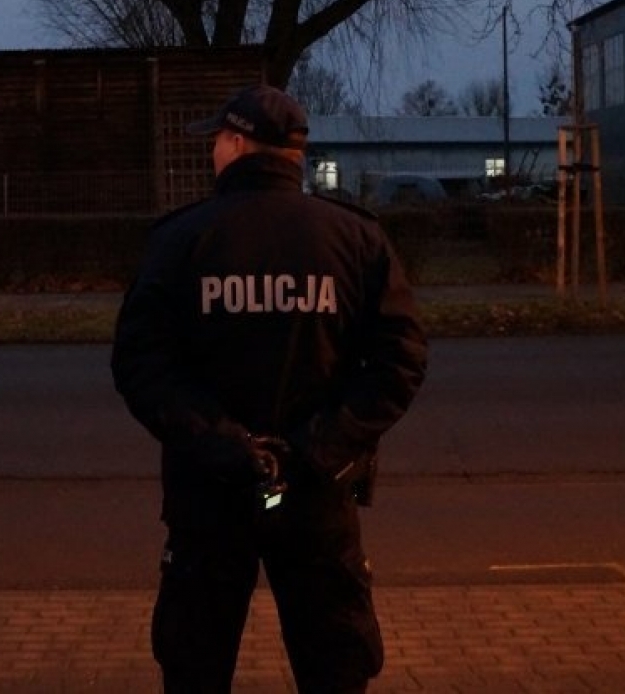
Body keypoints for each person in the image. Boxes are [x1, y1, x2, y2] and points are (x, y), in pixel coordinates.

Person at [112, 84, 428, 694]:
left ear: (234, 143)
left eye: (216, 141)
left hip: (209, 494)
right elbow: (400, 360)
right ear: (294, 157)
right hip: (318, 493)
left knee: (195, 668)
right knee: (334, 667)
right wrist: (318, 447)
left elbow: (141, 364)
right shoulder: (355, 238)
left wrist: (223, 444)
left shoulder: (183, 239)